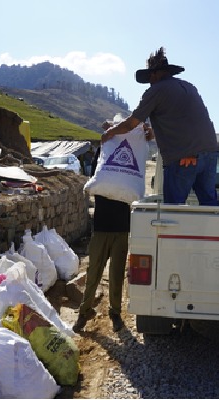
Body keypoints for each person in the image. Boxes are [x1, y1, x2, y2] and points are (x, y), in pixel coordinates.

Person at [102, 46, 219, 206]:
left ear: (155, 74)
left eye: (150, 77)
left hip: (184, 158)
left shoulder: (157, 90)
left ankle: (175, 232)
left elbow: (132, 123)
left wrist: (110, 132)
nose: (149, 82)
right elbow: (181, 120)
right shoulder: (188, 87)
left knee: (173, 210)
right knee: (209, 204)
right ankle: (212, 230)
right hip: (210, 152)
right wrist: (153, 132)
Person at [73, 118, 153, 333]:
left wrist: (143, 131)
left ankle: (115, 313)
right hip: (101, 226)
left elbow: (148, 136)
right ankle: (84, 312)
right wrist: (111, 131)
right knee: (93, 274)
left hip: (121, 227)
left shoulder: (134, 151)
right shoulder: (105, 152)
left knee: (117, 274)